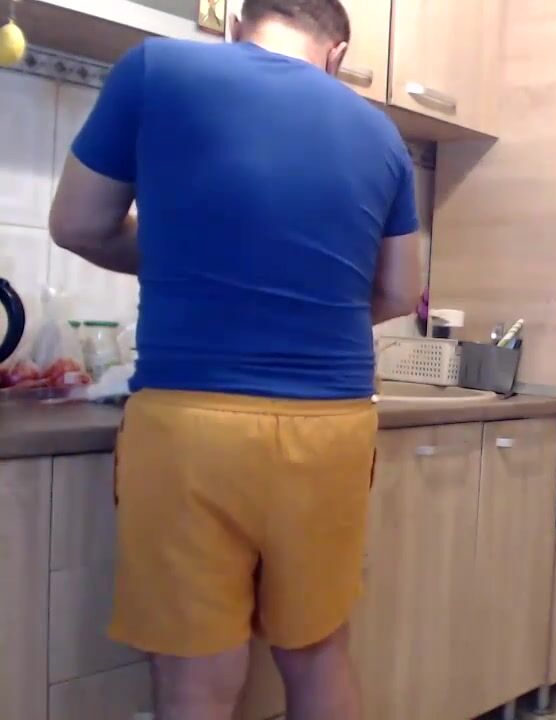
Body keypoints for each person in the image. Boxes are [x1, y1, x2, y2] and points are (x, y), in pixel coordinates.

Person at [47, 0, 422, 717]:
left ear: (235, 24)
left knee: (197, 675)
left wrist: (189, 259)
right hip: (332, 429)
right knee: (318, 652)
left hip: (192, 426)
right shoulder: (381, 131)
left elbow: (77, 224)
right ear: (338, 54)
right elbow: (400, 290)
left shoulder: (156, 70)